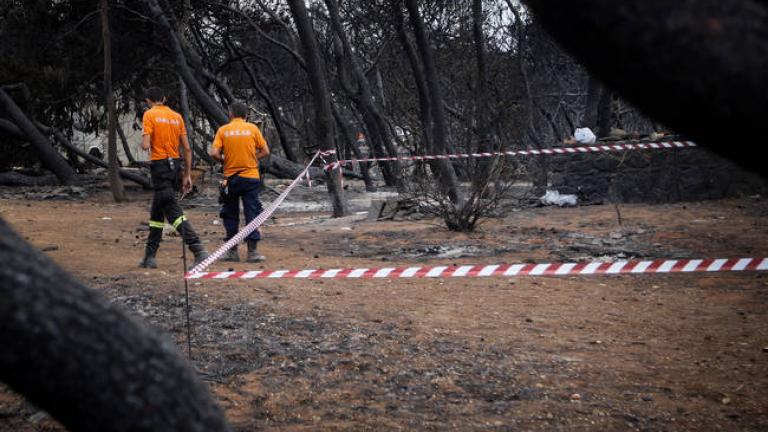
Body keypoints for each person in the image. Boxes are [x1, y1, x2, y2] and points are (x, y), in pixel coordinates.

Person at [138, 86, 209, 268]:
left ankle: (198, 249)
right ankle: (150, 256)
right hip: (174, 166)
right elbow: (186, 148)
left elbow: (146, 145)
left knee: (172, 211)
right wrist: (186, 174)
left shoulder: (149, 115)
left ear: (148, 101)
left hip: (160, 166)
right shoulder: (176, 117)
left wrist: (145, 139)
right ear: (163, 98)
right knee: (157, 212)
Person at [209, 101, 270, 262]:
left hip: (231, 179)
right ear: (246, 115)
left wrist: (224, 161)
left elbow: (214, 153)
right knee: (252, 212)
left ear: (230, 114)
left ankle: (232, 252)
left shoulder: (223, 130)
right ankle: (253, 252)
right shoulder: (253, 129)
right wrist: (252, 159)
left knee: (230, 213)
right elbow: (265, 151)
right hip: (250, 177)